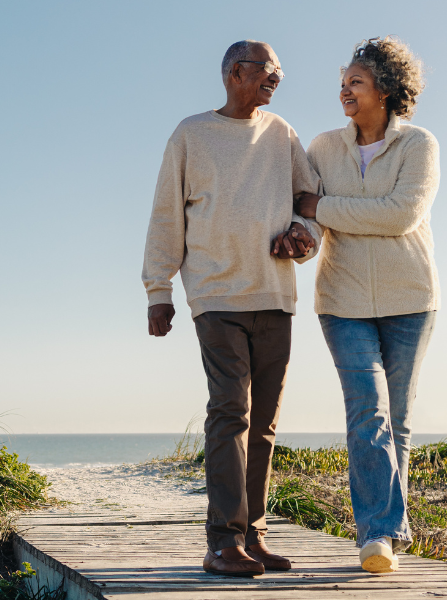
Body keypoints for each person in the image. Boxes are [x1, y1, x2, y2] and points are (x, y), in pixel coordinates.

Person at [142, 40, 321, 578]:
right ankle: (221, 541)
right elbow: (166, 214)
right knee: (230, 413)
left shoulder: (282, 133)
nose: (277, 78)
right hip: (216, 297)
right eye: (269, 70)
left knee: (262, 423)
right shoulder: (191, 134)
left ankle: (253, 536)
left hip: (275, 294)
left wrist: (303, 232)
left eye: (280, 71)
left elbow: (308, 197)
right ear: (234, 72)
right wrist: (158, 290)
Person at [293, 36, 439, 575]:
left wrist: (325, 206)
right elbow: (306, 215)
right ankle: (376, 535)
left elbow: (400, 214)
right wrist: (304, 232)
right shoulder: (322, 148)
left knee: (396, 420)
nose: (344, 91)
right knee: (368, 412)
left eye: (355, 81)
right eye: (342, 82)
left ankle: (389, 534)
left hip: (411, 299)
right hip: (343, 298)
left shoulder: (419, 145)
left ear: (385, 87)